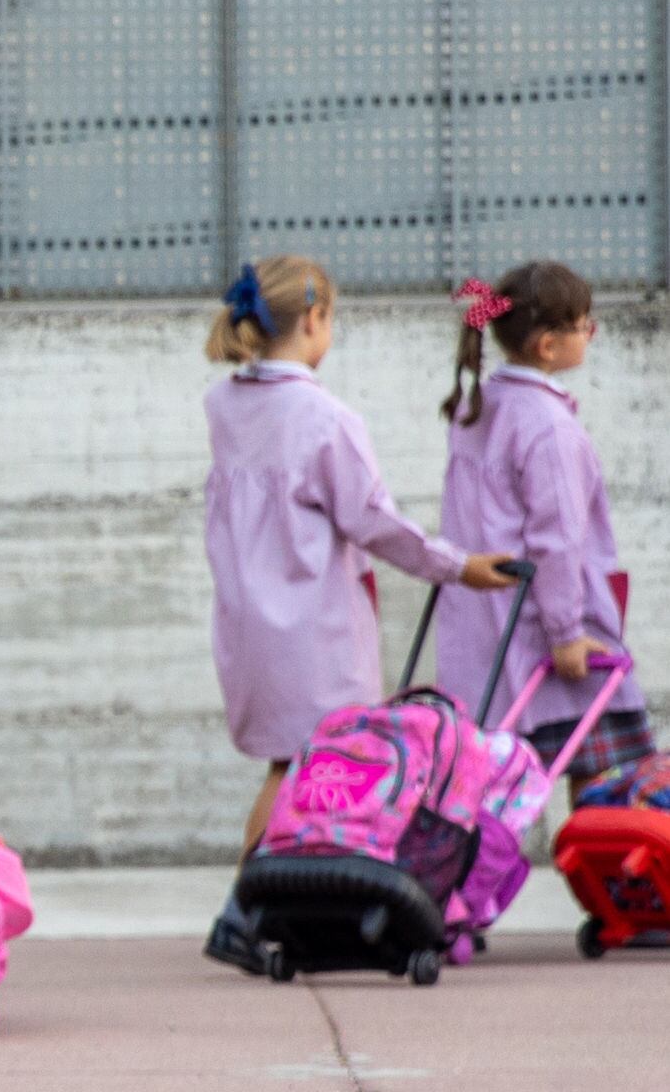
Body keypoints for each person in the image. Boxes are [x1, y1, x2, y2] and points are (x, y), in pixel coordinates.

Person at [198, 256, 512, 971]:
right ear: (313, 322)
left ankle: (282, 909)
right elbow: (374, 521)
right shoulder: (326, 419)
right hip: (313, 628)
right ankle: (243, 910)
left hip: (248, 621)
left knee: (294, 767)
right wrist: (457, 565)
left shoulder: (225, 406)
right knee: (305, 769)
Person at [434, 263, 649, 786]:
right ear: (549, 345)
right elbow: (557, 540)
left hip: (482, 639)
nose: (590, 334)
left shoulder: (480, 407)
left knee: (488, 792)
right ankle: (589, 870)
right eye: (584, 325)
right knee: (600, 779)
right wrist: (567, 633)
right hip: (546, 639)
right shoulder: (549, 426)